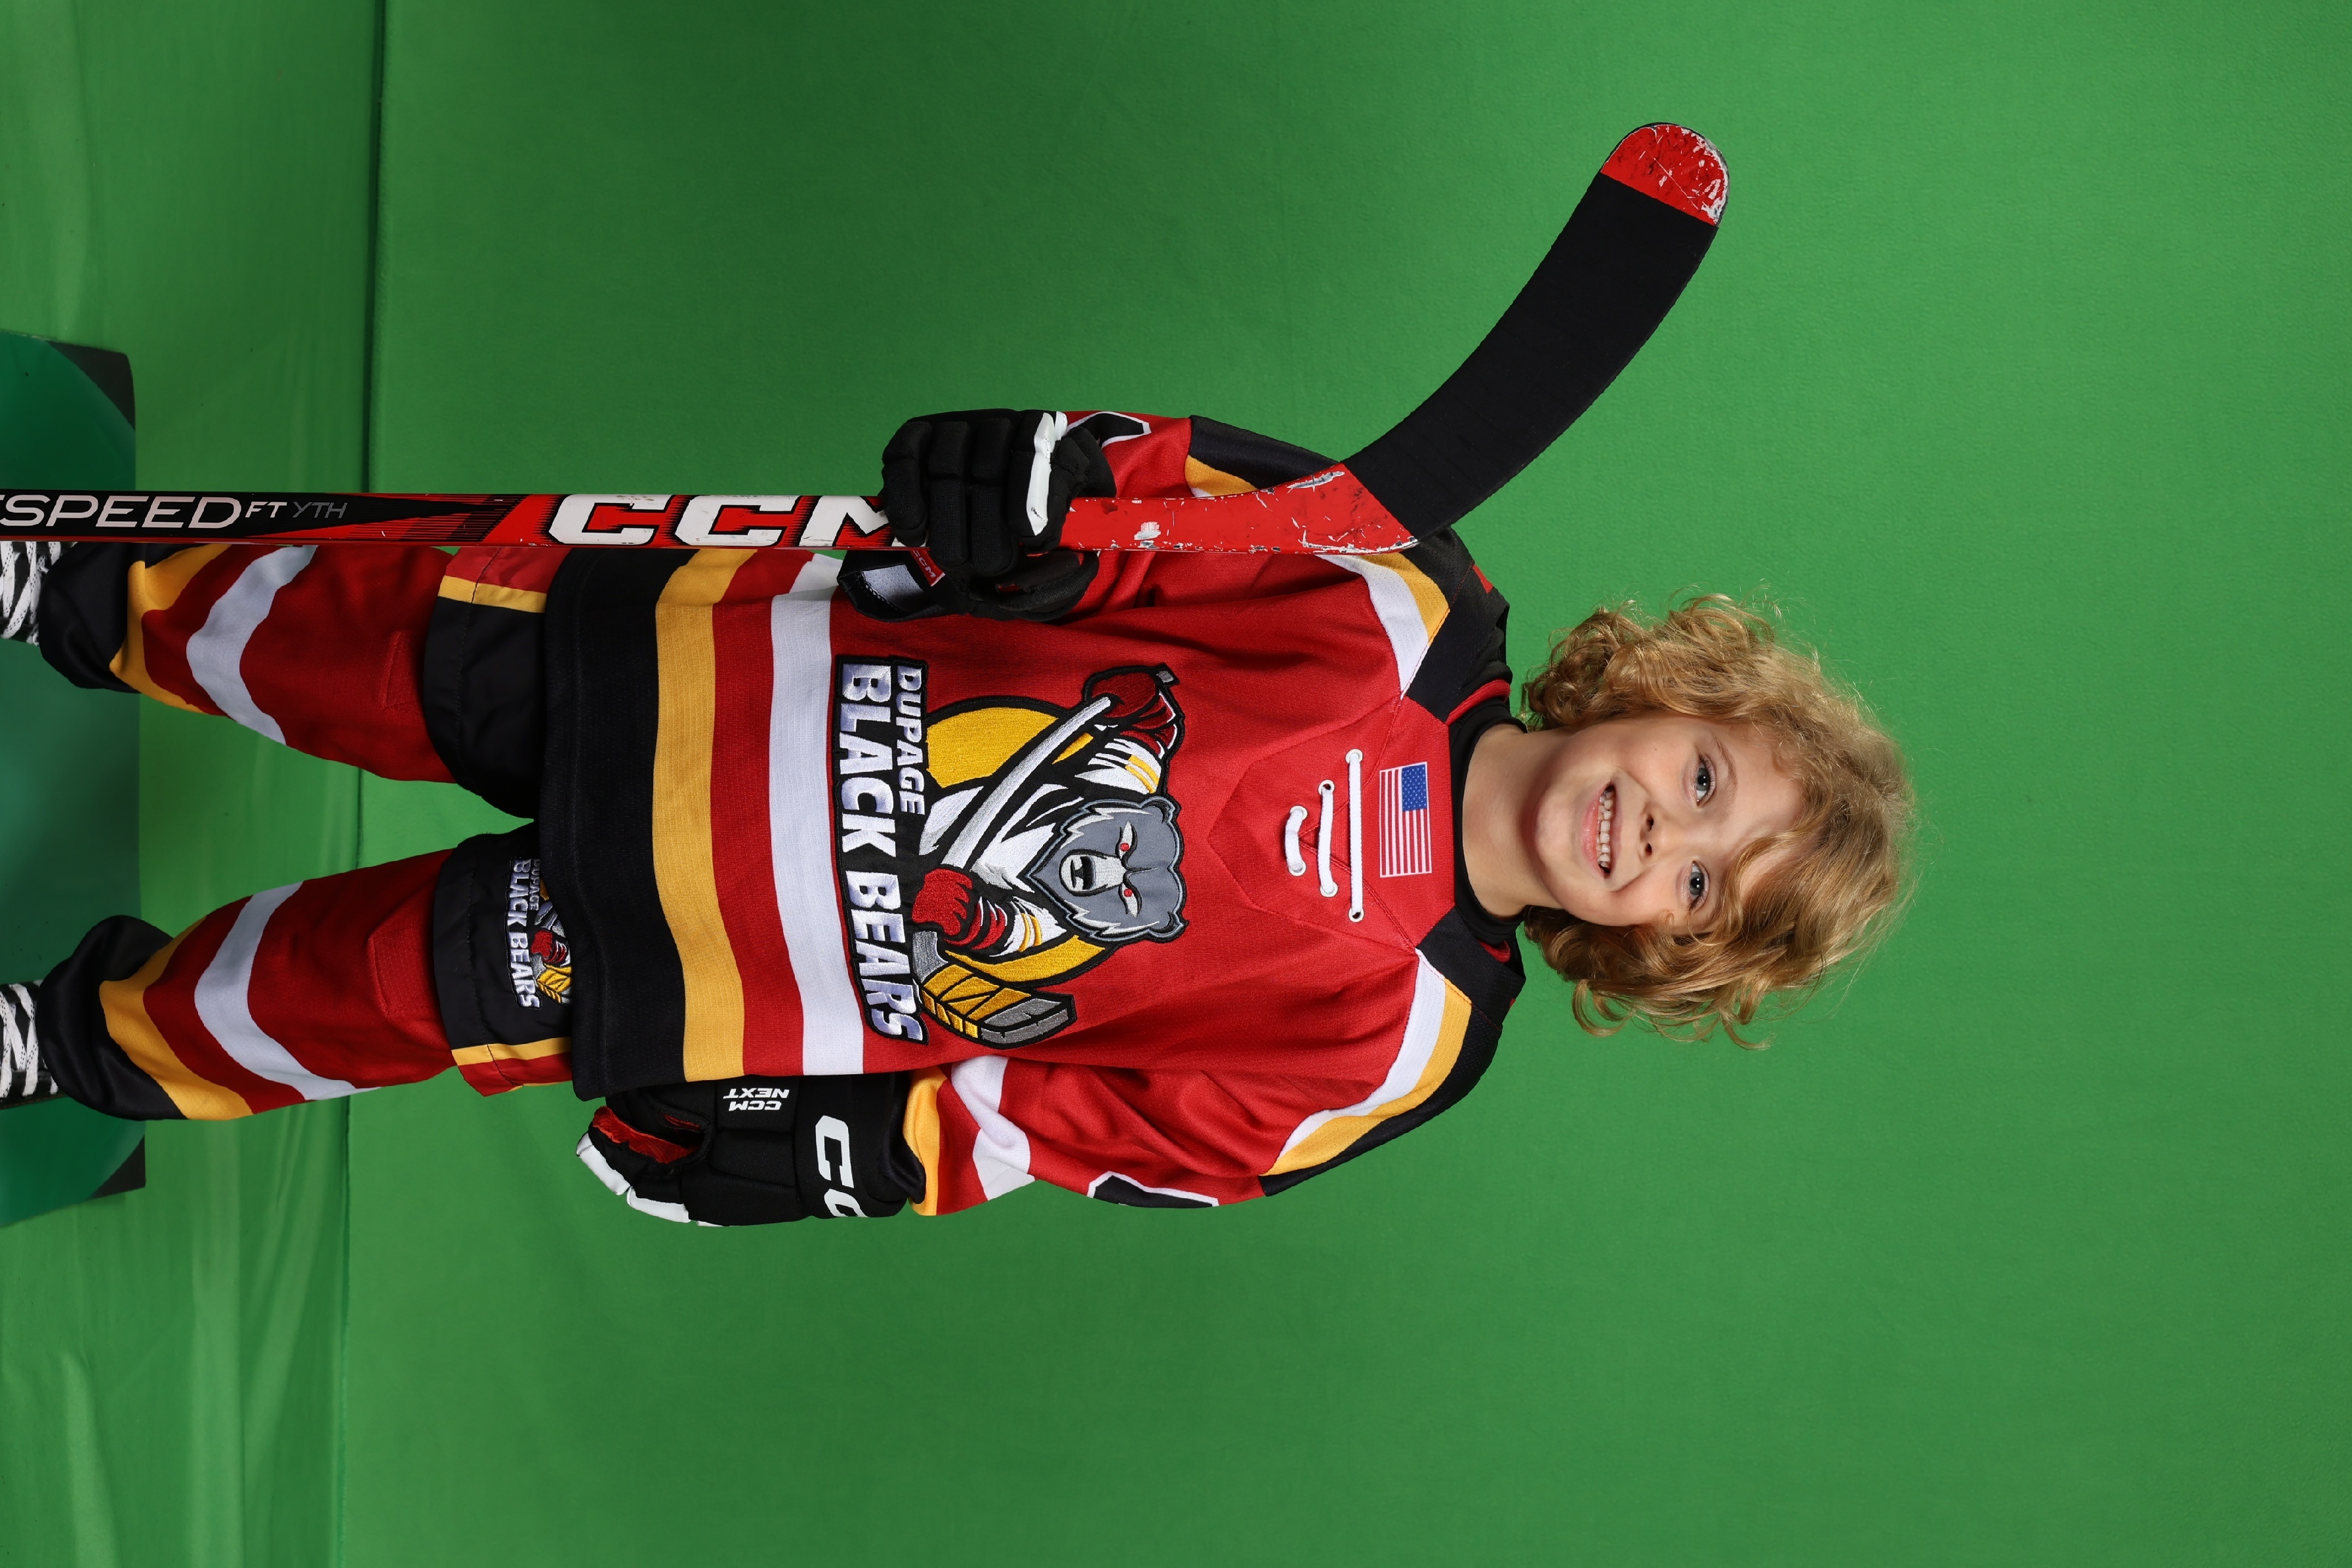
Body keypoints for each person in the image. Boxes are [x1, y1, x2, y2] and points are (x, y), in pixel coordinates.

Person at [0, 409, 1911, 1225]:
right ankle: (67, 595)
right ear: (1667, 693)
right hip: (691, 673)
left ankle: (61, 1041)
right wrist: (1041, 485)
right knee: (328, 638)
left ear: (1654, 946)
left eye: (1699, 886)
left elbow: (1061, 1124)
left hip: (708, 961)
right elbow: (1143, 498)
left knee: (338, 1001)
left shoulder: (1398, 1046)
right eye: (1706, 782)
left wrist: (834, 1154)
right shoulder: (1398, 587)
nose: (1658, 836)